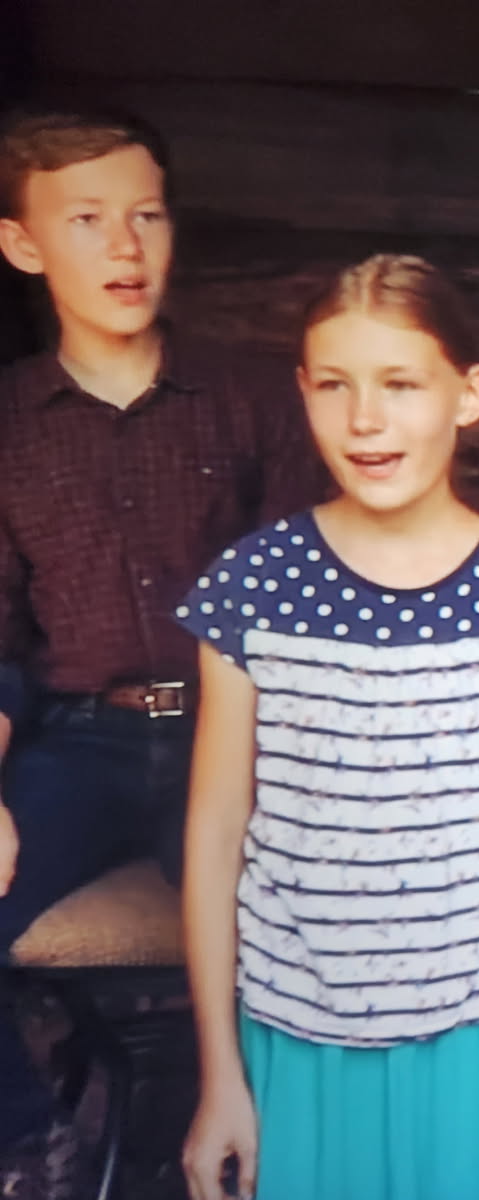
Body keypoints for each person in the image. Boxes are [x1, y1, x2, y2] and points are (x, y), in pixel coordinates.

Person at [177, 255, 479, 1200]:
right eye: (335, 385)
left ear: (469, 393)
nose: (365, 420)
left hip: (469, 1043)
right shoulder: (252, 589)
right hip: (289, 1035)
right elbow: (214, 835)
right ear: (303, 392)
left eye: (401, 385)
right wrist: (220, 1079)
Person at [0, 106, 321, 1159]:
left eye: (146, 215)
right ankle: (28, 1145)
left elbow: (303, 598)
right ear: (23, 243)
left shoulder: (251, 396)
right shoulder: (6, 423)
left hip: (232, 729)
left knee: (282, 913)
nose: (126, 247)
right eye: (86, 218)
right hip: (76, 739)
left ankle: (277, 1143)